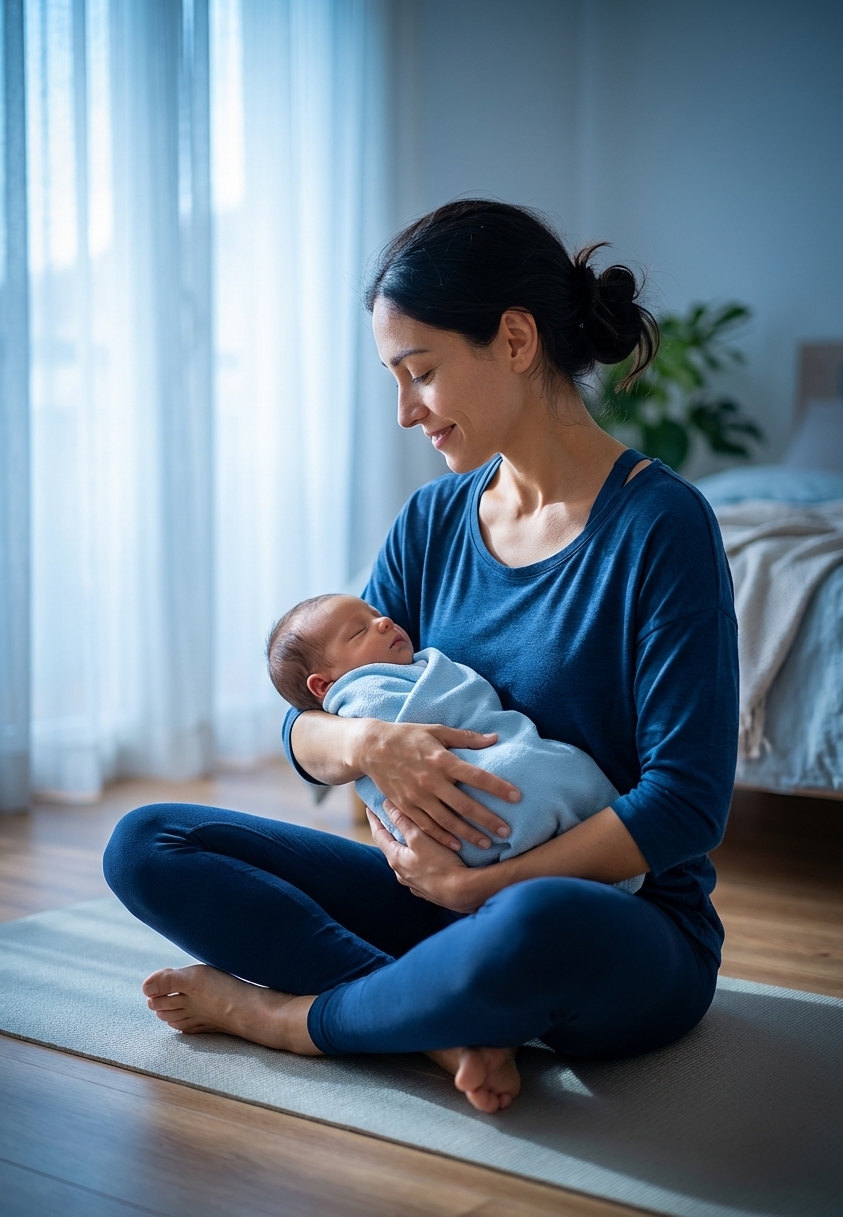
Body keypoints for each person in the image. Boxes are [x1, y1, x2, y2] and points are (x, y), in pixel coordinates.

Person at [103, 199, 738, 1116]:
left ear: (514, 340)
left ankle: (289, 1018)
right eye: (395, 380)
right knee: (147, 843)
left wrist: (483, 886)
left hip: (613, 921)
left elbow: (685, 804)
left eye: (422, 373)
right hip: (439, 897)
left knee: (533, 922)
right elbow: (310, 724)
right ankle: (439, 1025)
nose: (406, 413)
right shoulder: (433, 520)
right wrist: (366, 746)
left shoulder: (660, 526)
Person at [265, 591, 645, 888]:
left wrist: (469, 888)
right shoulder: (362, 695)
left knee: (532, 774)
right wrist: (364, 741)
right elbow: (297, 725)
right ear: (324, 686)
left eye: (375, 614)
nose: (384, 621)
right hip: (435, 862)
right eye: (359, 631)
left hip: (569, 864)